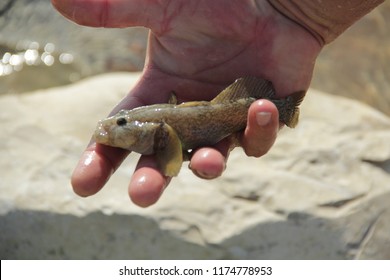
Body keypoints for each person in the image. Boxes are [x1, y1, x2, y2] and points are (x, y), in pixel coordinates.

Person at [51, 0, 384, 207]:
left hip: (234, 106)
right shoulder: (152, 128)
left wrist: (294, 11)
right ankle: (282, 107)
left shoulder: (156, 130)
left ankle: (285, 107)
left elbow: (169, 145)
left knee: (260, 113)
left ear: (149, 129)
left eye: (122, 122)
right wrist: (300, 12)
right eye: (120, 121)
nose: (114, 124)